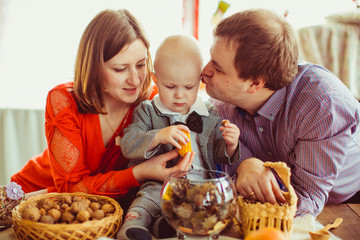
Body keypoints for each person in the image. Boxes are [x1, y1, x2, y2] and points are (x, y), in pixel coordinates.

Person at [10, 9, 194, 209]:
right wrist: (140, 172)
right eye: (120, 69)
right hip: (35, 195)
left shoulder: (153, 101)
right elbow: (71, 189)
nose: (135, 80)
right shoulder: (63, 100)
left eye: (141, 65)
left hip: (98, 208)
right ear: (94, 67)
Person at [201, 8, 360, 217]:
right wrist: (243, 163)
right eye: (211, 58)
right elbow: (224, 170)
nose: (204, 71)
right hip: (280, 196)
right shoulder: (219, 105)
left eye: (219, 69)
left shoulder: (321, 104)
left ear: (255, 83)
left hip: (349, 200)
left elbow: (307, 201)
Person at [116, 35, 240, 240]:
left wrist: (230, 145)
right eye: (171, 87)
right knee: (148, 199)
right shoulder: (147, 111)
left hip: (202, 185)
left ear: (199, 81)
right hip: (161, 182)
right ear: (156, 80)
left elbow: (219, 154)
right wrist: (158, 136)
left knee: (211, 206)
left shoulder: (210, 113)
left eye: (189, 87)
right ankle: (132, 225)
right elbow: (128, 144)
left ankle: (164, 227)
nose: (180, 96)